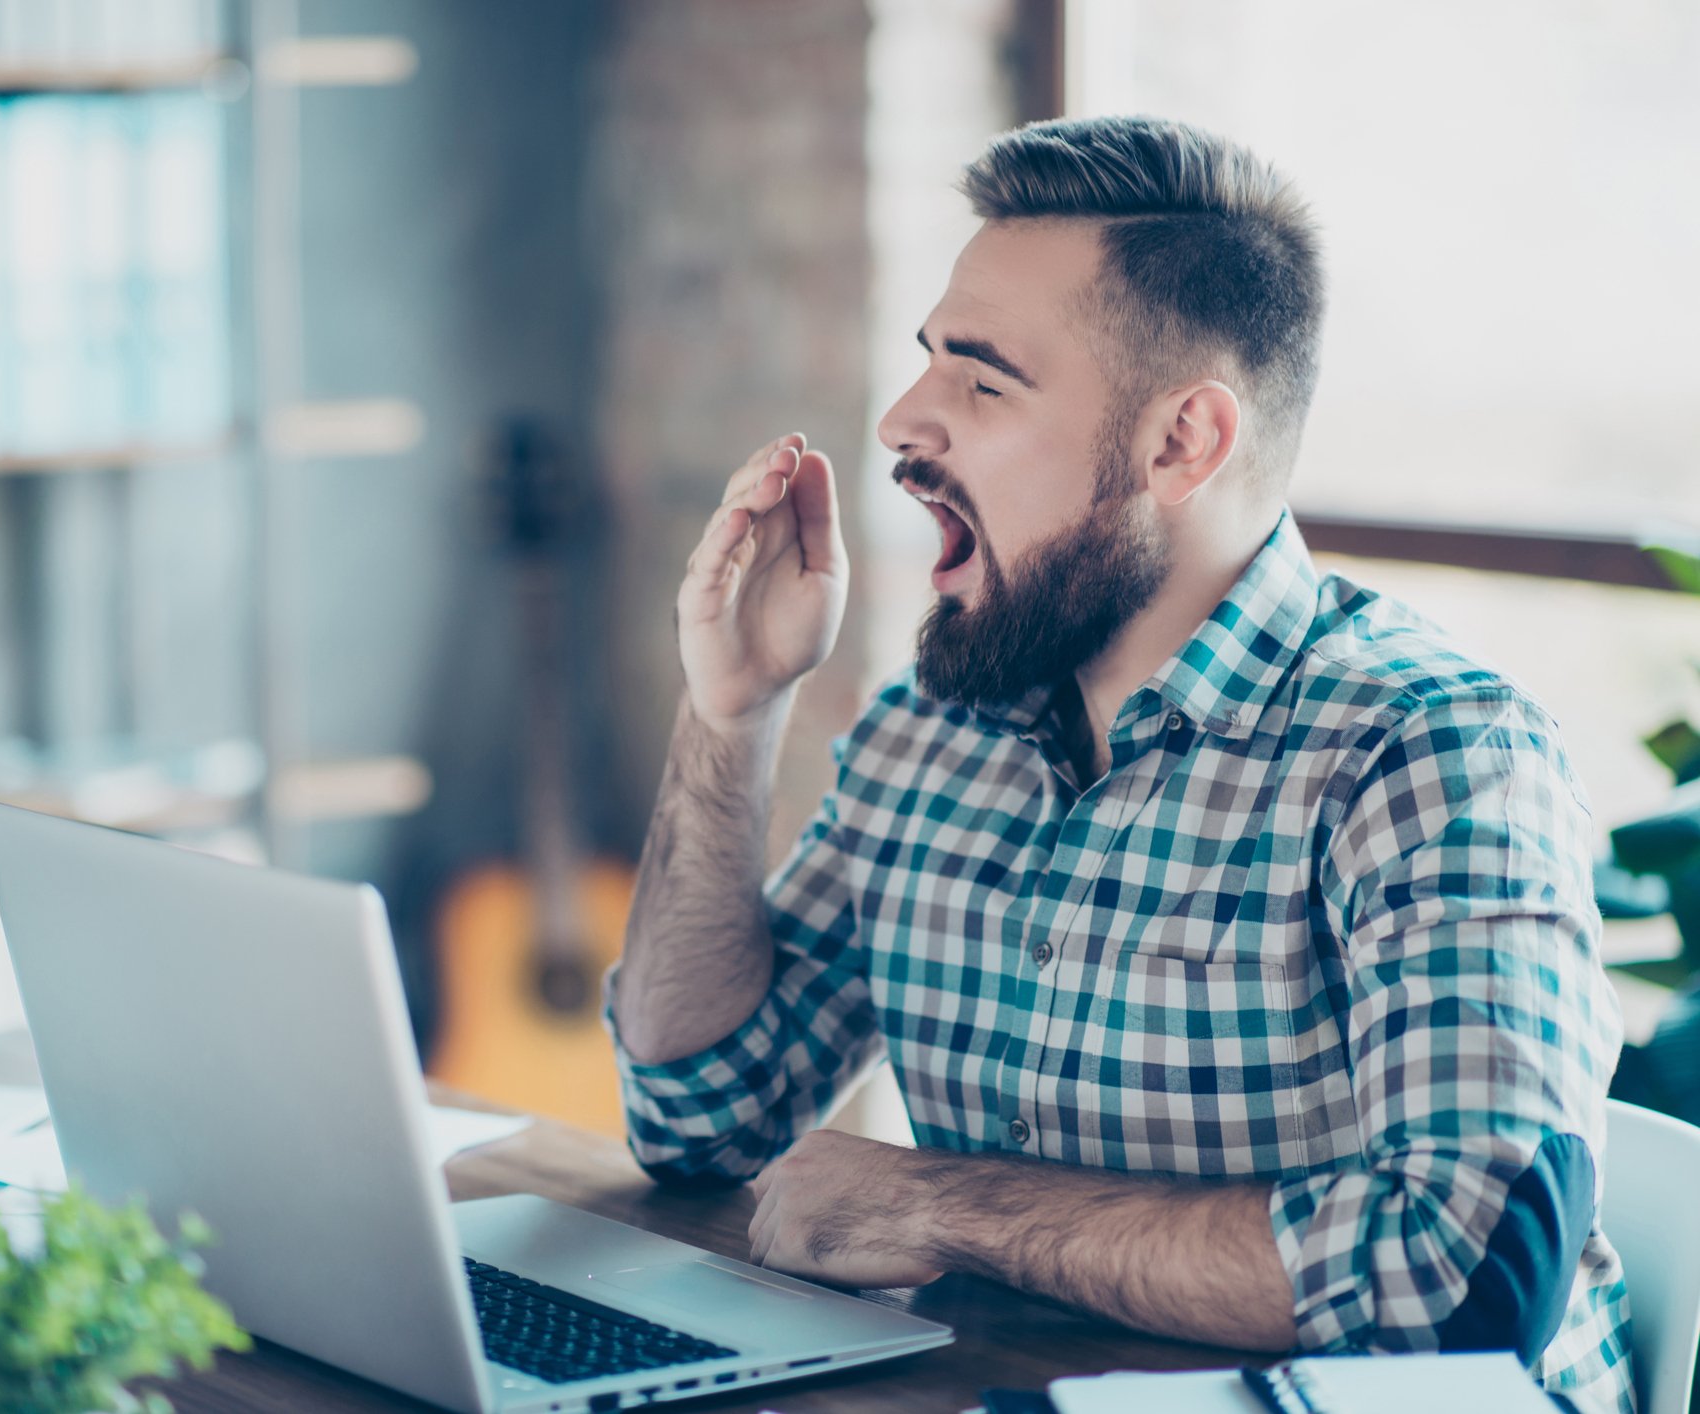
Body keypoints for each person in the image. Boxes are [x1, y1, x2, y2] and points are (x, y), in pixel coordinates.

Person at [605, 115, 1634, 1413]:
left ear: (1181, 444)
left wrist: (945, 1205)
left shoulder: (1433, 754)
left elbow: (1470, 1273)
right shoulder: (932, 731)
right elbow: (697, 1115)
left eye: (983, 383)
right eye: (928, 361)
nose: (902, 419)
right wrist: (733, 711)